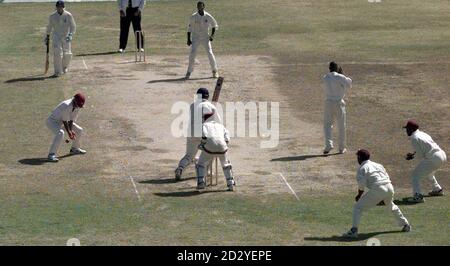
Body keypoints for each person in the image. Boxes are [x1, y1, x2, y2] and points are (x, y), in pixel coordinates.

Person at [343, 149, 410, 238]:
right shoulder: (378, 165)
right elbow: (387, 177)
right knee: (391, 205)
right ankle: (406, 224)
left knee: (357, 207)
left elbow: (361, 184)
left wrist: (359, 195)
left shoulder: (362, 168)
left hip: (378, 188)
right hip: (389, 187)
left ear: (359, 158)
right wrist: (384, 195)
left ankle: (354, 231)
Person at [175, 88, 221, 180]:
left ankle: (180, 168)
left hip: (191, 132)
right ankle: (206, 171)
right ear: (207, 96)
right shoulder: (211, 107)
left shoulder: (192, 105)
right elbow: (218, 122)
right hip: (204, 133)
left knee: (189, 155)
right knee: (210, 152)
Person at [403, 120, 447, 203]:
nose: (406, 131)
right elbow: (425, 148)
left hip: (434, 158)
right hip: (442, 155)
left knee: (415, 176)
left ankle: (418, 196)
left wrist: (411, 156)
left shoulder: (414, 138)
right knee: (428, 172)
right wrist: (413, 154)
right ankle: (437, 189)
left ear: (411, 130)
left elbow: (420, 155)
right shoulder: (423, 134)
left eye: (407, 129)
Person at [196, 113, 235, 191]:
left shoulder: (204, 125)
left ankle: (201, 183)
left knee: (200, 163)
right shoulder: (221, 126)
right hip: (222, 146)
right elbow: (227, 138)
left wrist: (202, 144)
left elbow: (204, 136)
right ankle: (230, 183)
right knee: (225, 164)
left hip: (209, 147)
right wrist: (223, 147)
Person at [322, 61, 352, 154]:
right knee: (341, 125)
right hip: (338, 103)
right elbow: (349, 84)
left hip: (328, 103)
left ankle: (328, 145)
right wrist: (342, 74)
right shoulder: (340, 77)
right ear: (337, 68)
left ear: (329, 68)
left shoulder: (325, 77)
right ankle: (342, 148)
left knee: (327, 125)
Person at [46, 93, 86, 162]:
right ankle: (51, 155)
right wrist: (69, 132)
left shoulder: (77, 107)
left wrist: (70, 130)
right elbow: (65, 121)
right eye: (78, 105)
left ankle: (74, 149)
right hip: (52, 122)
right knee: (60, 133)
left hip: (62, 121)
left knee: (79, 130)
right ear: (74, 101)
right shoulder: (66, 105)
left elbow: (71, 120)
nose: (78, 107)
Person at [185, 1, 219, 79]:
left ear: (204, 7)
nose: (199, 8)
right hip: (196, 37)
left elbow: (214, 25)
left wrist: (212, 35)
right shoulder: (193, 17)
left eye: (201, 6)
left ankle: (215, 71)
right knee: (192, 54)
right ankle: (189, 72)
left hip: (205, 38)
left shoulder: (207, 16)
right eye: (198, 6)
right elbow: (189, 28)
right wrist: (188, 39)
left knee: (210, 53)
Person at [45, 0, 76, 77]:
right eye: (58, 7)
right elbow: (49, 26)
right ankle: (57, 71)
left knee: (67, 53)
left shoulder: (68, 15)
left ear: (63, 7)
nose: (59, 8)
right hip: (56, 36)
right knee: (57, 53)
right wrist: (47, 36)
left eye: (60, 7)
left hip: (66, 36)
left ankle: (64, 67)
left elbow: (73, 26)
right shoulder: (52, 16)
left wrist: (70, 34)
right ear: (56, 7)